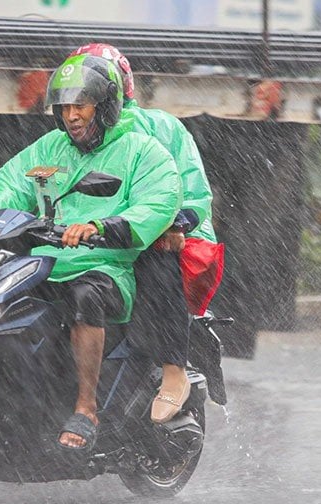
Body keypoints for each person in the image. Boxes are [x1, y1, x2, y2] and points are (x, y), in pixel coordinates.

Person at [0, 54, 181, 451]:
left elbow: (158, 202)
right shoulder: (49, 149)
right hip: (43, 262)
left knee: (84, 296)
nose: (71, 116)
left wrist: (99, 227)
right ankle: (21, 398)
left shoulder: (142, 151)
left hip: (106, 267)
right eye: (65, 107)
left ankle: (86, 406)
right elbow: (9, 187)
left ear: (105, 105)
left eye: (81, 106)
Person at [69, 43, 219, 423]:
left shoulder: (159, 127)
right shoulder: (70, 137)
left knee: (155, 255)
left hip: (169, 235)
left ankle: (174, 370)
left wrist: (175, 223)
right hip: (104, 238)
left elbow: (191, 189)